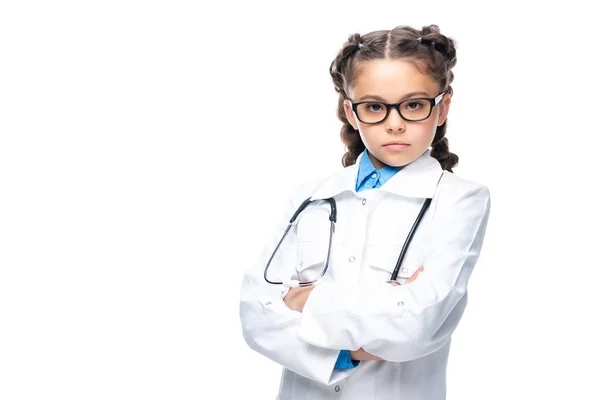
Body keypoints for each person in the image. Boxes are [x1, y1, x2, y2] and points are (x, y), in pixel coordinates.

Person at [239, 24, 492, 400]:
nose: (395, 123)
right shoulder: (310, 196)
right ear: (351, 113)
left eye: (413, 104)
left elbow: (416, 326)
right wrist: (349, 352)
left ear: (442, 108)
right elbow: (255, 316)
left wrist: (307, 301)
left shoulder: (461, 200)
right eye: (374, 107)